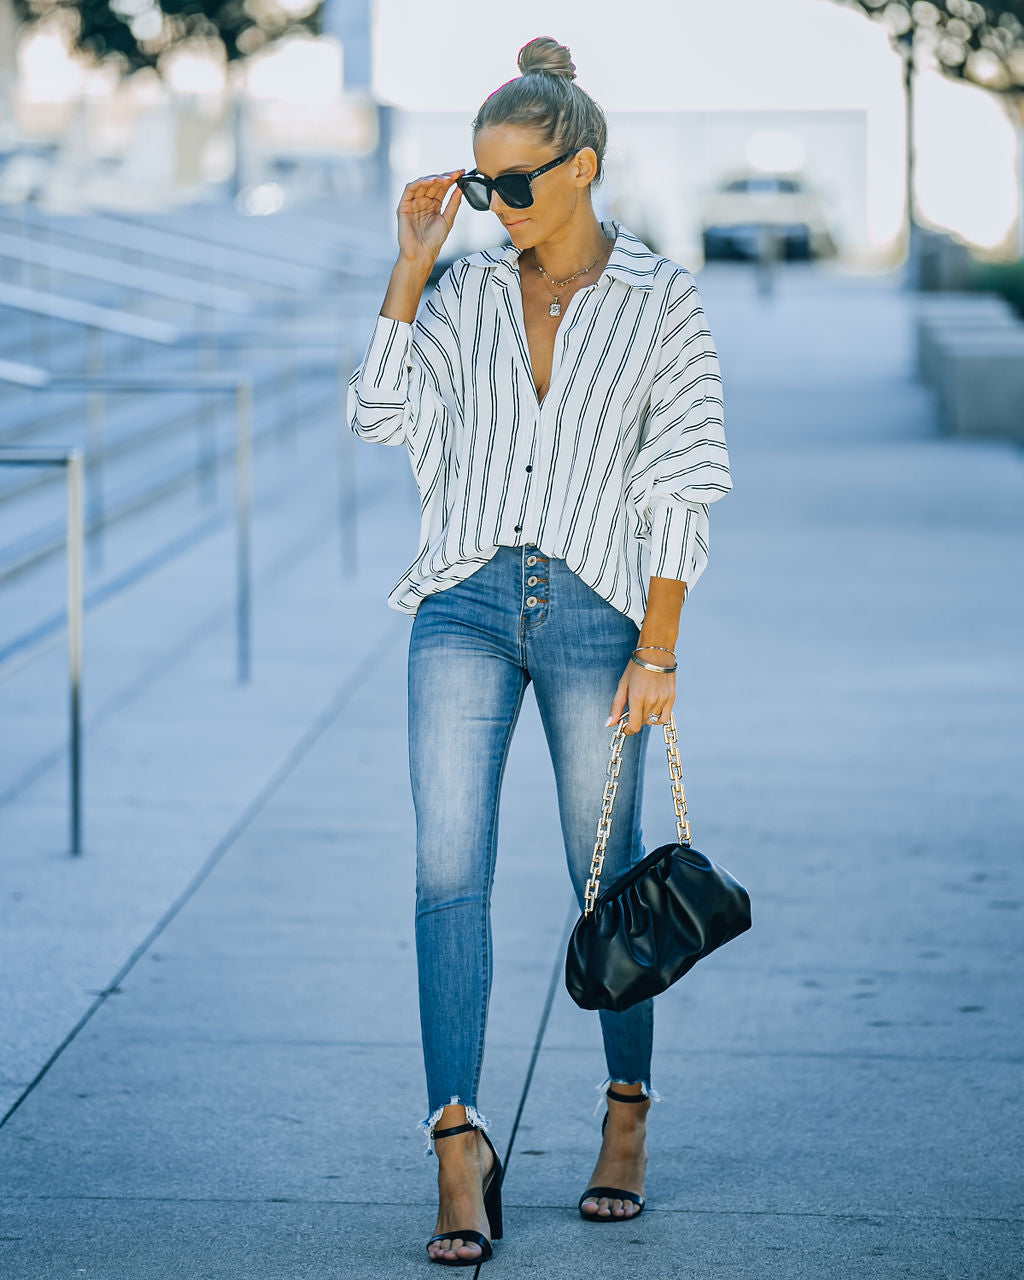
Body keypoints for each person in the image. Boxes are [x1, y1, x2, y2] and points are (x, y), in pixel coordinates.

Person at [347, 35, 733, 1267]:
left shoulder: (661, 297)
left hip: (591, 608)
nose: (494, 206)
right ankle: (457, 1139)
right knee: (444, 868)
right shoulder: (459, 294)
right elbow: (377, 415)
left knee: (601, 872)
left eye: (514, 184)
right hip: (460, 598)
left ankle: (625, 1112)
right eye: (479, 186)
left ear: (583, 169)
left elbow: (685, 476)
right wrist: (410, 270)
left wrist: (657, 647)